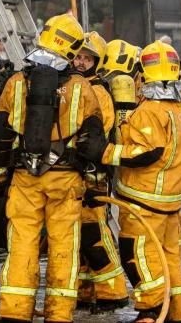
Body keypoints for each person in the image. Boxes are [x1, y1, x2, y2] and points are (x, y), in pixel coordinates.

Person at [0, 14, 106, 323]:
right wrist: (96, 185)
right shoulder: (81, 88)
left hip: (25, 179)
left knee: (22, 245)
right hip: (66, 182)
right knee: (63, 247)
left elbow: (1, 137)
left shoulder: (16, 83)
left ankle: (14, 313)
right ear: (72, 49)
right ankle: (58, 315)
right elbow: (93, 144)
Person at [100, 40, 181, 323]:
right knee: (169, 259)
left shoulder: (151, 110)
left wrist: (104, 152)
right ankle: (175, 314)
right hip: (170, 199)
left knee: (139, 255)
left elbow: (146, 153)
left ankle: (151, 311)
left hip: (144, 199)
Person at [73, 32, 129, 313]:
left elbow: (97, 138)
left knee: (94, 234)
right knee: (80, 237)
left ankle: (113, 292)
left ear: (97, 62)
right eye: (78, 56)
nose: (81, 62)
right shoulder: (72, 86)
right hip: (72, 171)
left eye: (87, 58)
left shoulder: (99, 93)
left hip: (91, 173)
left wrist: (94, 177)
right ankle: (86, 292)